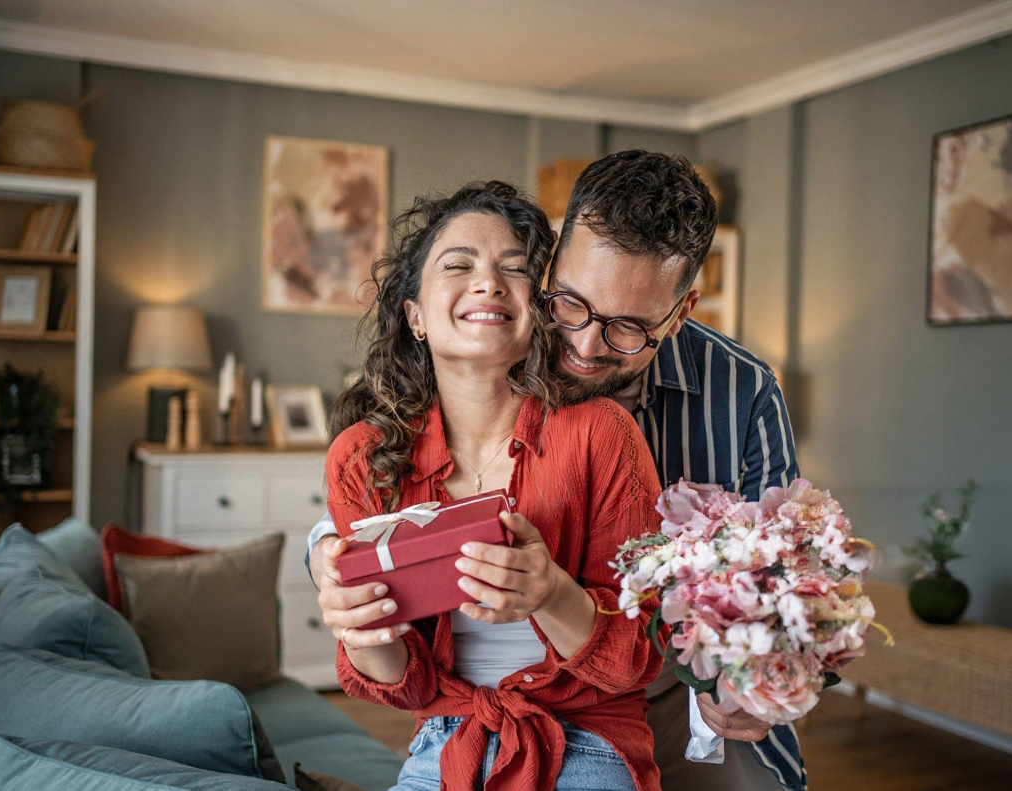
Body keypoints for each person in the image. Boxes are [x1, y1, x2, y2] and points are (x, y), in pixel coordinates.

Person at [310, 151, 806, 791]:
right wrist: (336, 569)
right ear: (550, 273)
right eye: (570, 305)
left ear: (680, 315)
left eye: (628, 327)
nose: (586, 345)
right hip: (477, 714)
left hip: (676, 682)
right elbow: (352, 553)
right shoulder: (379, 446)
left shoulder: (737, 392)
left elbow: (783, 583)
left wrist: (740, 681)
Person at [319, 180, 667, 791]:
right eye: (458, 266)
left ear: (542, 310)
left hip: (588, 737)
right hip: (446, 737)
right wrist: (362, 630)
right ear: (416, 316)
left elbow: (636, 659)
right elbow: (406, 683)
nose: (488, 283)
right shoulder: (363, 459)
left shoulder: (602, 436)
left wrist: (551, 593)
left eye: (515, 269)